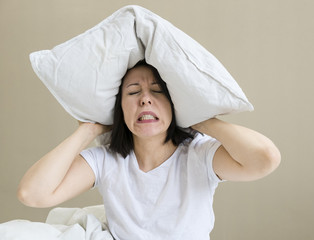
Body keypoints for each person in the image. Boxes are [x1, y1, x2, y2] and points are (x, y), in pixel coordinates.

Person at [17, 60, 281, 239]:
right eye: (133, 92)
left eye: (157, 91)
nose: (145, 98)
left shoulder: (199, 154)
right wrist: (89, 130)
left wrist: (201, 119)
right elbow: (32, 194)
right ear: (120, 107)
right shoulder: (105, 160)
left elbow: (265, 159)